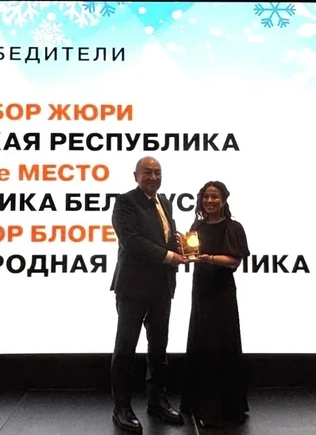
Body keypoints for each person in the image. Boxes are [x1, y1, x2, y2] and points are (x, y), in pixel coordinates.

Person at [109, 156, 188, 433]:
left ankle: (157, 401)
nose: (153, 177)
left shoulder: (164, 201)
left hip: (162, 286)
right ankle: (121, 407)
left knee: (158, 348)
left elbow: (162, 236)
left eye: (157, 172)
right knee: (125, 349)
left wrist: (180, 244)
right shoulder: (125, 202)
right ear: (136, 176)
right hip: (133, 287)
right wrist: (169, 256)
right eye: (147, 172)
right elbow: (132, 241)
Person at [179, 180, 250, 428]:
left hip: (222, 293)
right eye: (206, 197)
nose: (210, 201)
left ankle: (222, 408)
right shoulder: (196, 227)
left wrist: (209, 258)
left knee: (220, 346)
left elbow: (234, 261)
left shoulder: (233, 227)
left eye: (215, 197)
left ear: (224, 200)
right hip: (200, 291)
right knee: (201, 344)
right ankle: (198, 403)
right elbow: (190, 255)